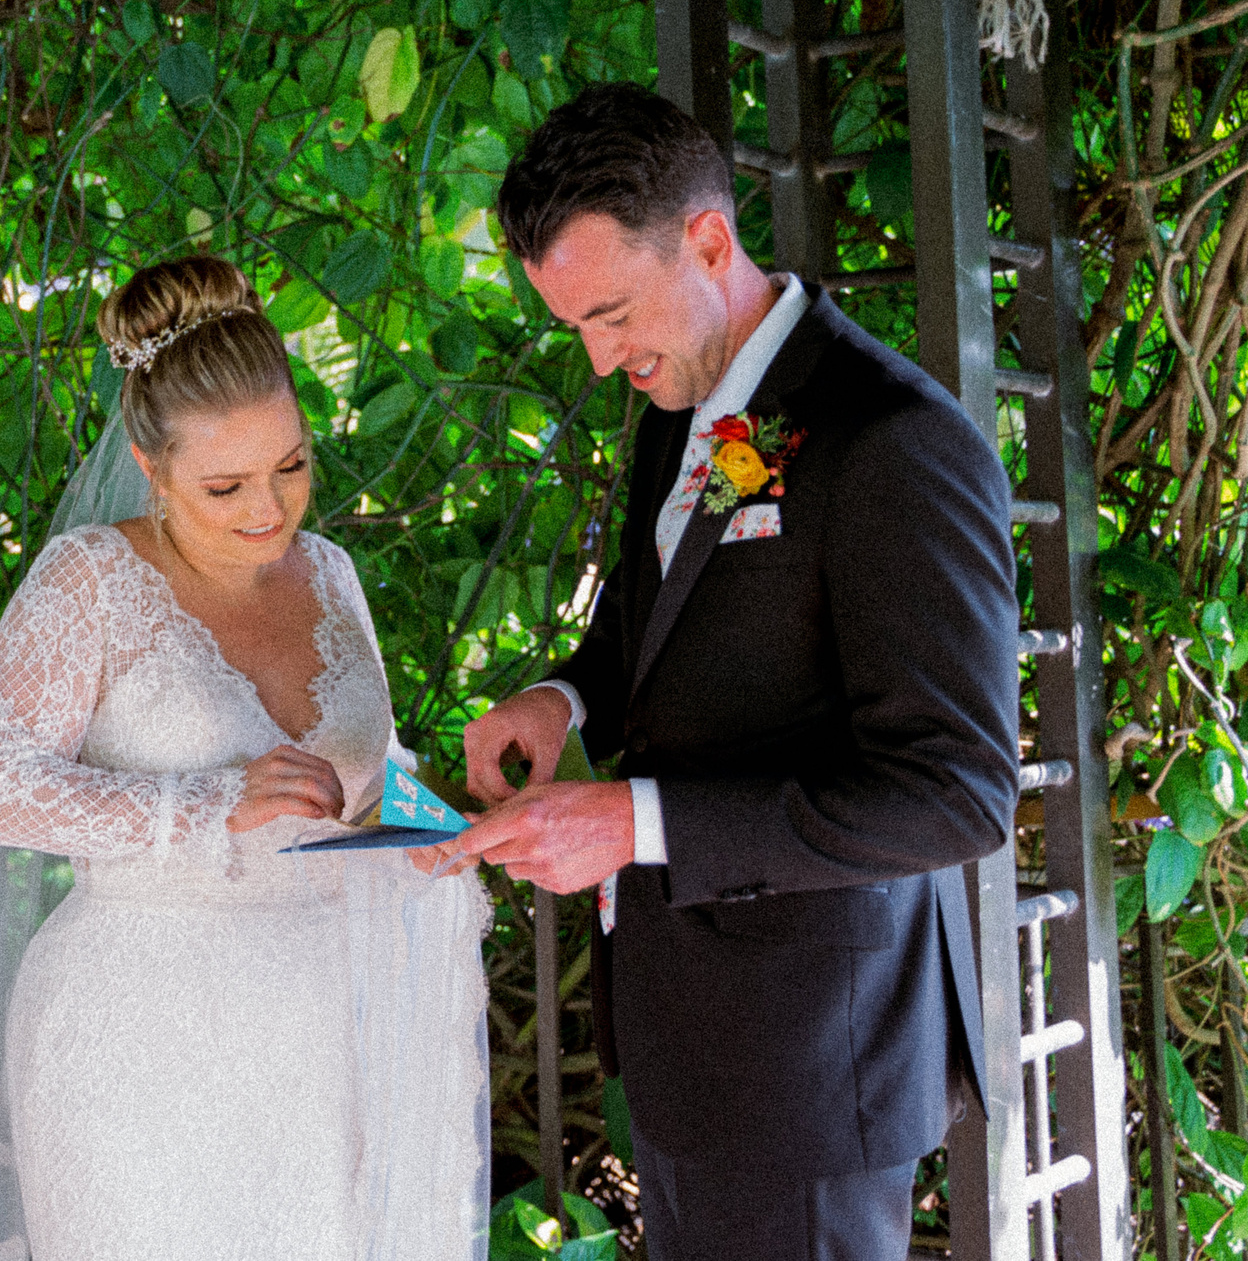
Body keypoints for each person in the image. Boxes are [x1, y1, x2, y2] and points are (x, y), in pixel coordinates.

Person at [436, 83, 1021, 1261]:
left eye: (611, 314)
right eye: (576, 331)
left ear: (709, 240)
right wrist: (563, 698)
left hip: (814, 1058)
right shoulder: (686, 398)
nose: (602, 362)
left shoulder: (893, 445)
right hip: (691, 1042)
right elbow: (656, 630)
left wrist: (634, 823)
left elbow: (958, 795)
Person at [0, 257, 490, 1261]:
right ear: (150, 465)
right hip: (136, 1037)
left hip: (321, 1039)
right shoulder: (90, 578)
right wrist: (214, 799)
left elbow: (366, 779)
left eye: (292, 466)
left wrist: (442, 833)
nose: (268, 509)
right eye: (224, 484)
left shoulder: (330, 573)